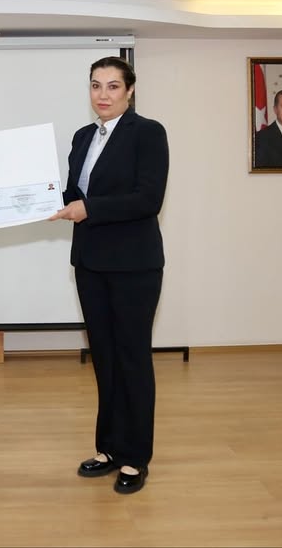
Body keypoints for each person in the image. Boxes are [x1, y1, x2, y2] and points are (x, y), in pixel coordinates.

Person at [50, 55, 169, 495]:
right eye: (96, 85)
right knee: (104, 358)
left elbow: (148, 198)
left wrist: (90, 209)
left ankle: (135, 457)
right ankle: (109, 448)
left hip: (134, 266)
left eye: (113, 86)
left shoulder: (148, 133)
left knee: (132, 358)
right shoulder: (83, 137)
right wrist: (21, 194)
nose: (103, 94)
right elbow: (72, 194)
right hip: (90, 264)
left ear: (130, 91)